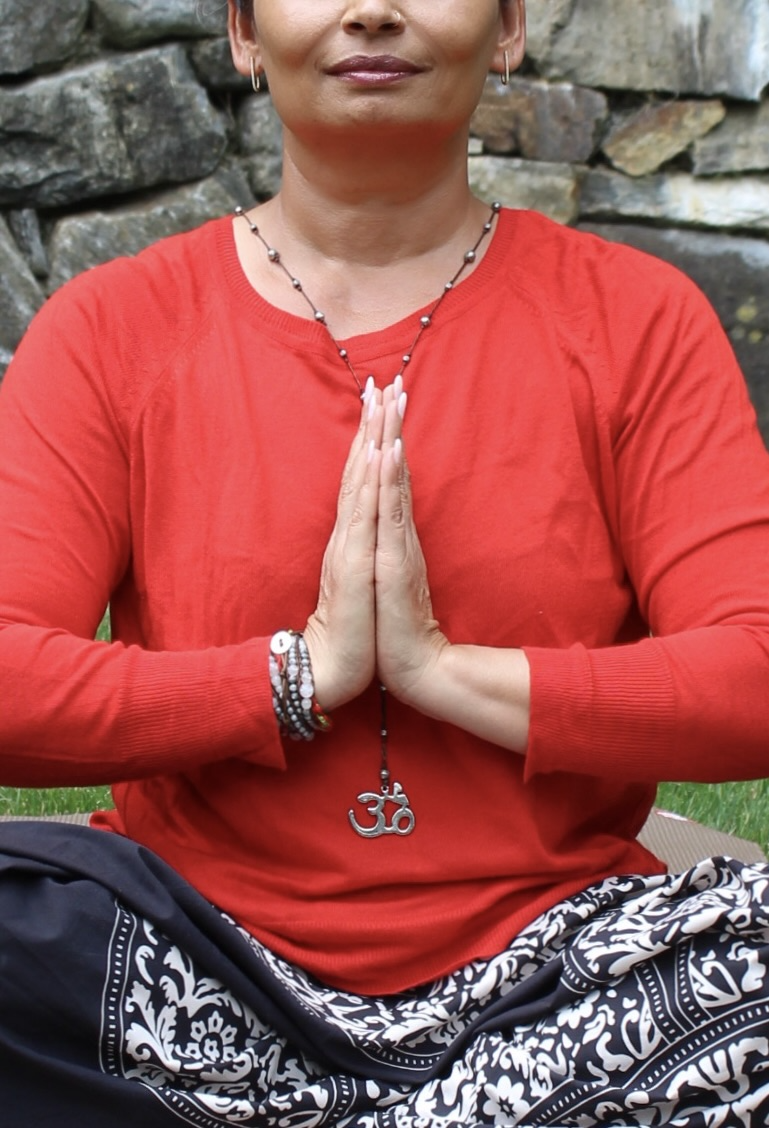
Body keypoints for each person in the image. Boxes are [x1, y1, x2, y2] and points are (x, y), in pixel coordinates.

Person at [1, 0, 769, 1123]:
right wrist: (294, 678)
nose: (370, 9)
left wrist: (440, 673)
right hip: (191, 971)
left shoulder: (633, 320)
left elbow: (753, 672)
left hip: (557, 984)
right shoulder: (112, 328)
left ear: (506, 30)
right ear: (244, 33)